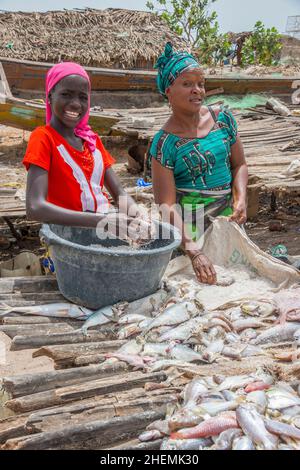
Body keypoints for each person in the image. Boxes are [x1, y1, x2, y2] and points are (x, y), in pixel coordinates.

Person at [149, 43, 248, 285]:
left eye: (200, 83)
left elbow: (240, 165)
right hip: (188, 229)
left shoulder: (222, 119)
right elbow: (167, 205)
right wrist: (194, 252)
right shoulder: (165, 144)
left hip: (227, 222)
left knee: (237, 281)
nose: (197, 90)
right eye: (187, 84)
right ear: (168, 90)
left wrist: (241, 199)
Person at [23, 62, 151, 243]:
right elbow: (35, 207)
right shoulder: (44, 138)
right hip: (67, 237)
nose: (75, 104)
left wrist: (137, 216)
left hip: (101, 230)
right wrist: (104, 221)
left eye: (83, 97)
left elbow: (119, 192)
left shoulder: (92, 141)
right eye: (66, 94)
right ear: (50, 96)